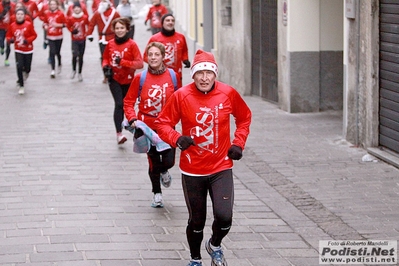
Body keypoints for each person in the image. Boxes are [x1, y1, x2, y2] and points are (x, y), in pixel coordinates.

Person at [154, 49, 252, 266]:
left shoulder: (228, 93)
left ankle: (215, 245)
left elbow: (244, 118)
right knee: (197, 221)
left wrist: (238, 143)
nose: (205, 78)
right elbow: (162, 123)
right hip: (192, 170)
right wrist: (177, 139)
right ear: (194, 75)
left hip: (221, 167)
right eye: (200, 73)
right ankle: (195, 259)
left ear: (215, 75)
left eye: (209, 73)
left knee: (225, 217)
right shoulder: (181, 95)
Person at [124, 42, 180, 208]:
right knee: (153, 161)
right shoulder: (139, 78)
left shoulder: (173, 76)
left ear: (163, 56)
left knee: (169, 161)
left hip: (168, 127)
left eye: (157, 54)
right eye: (150, 55)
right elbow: (128, 101)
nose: (153, 58)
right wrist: (132, 118)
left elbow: (181, 99)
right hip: (146, 128)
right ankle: (157, 193)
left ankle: (164, 170)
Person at [102, 17, 143, 144]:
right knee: (119, 104)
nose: (119, 31)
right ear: (114, 30)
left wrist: (123, 62)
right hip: (114, 79)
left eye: (122, 28)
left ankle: (132, 127)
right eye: (117, 28)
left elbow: (139, 63)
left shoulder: (132, 44)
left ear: (127, 29)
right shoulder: (110, 44)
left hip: (129, 80)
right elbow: (105, 59)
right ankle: (119, 133)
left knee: (128, 106)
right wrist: (105, 67)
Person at [144, 13, 190, 83]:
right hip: (159, 75)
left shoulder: (181, 37)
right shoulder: (155, 38)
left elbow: (184, 50)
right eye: (167, 20)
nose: (170, 22)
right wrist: (155, 64)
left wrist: (185, 59)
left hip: (176, 75)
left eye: (172, 20)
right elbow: (145, 56)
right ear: (162, 23)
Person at [87, 0, 120, 82]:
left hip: (113, 37)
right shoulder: (98, 13)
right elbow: (92, 23)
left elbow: (121, 23)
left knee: (114, 56)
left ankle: (115, 73)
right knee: (104, 57)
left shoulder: (115, 13)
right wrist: (89, 34)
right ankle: (105, 74)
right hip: (102, 39)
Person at [6, 8, 37, 95]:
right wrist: (10, 40)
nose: (19, 16)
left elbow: (34, 35)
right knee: (19, 66)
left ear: (24, 16)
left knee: (27, 68)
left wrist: (28, 40)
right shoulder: (12, 25)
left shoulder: (28, 24)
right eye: (18, 14)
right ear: (15, 15)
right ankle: (21, 85)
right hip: (18, 49)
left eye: (21, 14)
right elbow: (8, 36)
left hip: (28, 49)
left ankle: (26, 73)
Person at [42, 0, 66, 78]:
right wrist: (45, 26)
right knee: (52, 52)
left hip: (59, 36)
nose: (52, 6)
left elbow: (65, 24)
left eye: (54, 4)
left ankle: (59, 63)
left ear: (57, 5)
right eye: (51, 4)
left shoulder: (60, 14)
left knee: (57, 52)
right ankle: (53, 70)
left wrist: (58, 25)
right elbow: (45, 22)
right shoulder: (47, 14)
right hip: (50, 36)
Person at [66, 1, 88, 81]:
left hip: (82, 39)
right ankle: (74, 70)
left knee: (81, 56)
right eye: (75, 8)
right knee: (75, 54)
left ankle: (80, 73)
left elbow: (88, 25)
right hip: (74, 39)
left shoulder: (84, 17)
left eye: (78, 8)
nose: (76, 10)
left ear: (81, 8)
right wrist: (72, 30)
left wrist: (88, 34)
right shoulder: (71, 18)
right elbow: (68, 26)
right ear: (73, 9)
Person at [0, 0, 15, 66]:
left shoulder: (13, 5)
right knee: (1, 40)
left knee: (8, 44)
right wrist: (4, 12)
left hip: (10, 28)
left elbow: (15, 16)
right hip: (1, 27)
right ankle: (2, 47)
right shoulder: (0, 5)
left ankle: (6, 59)